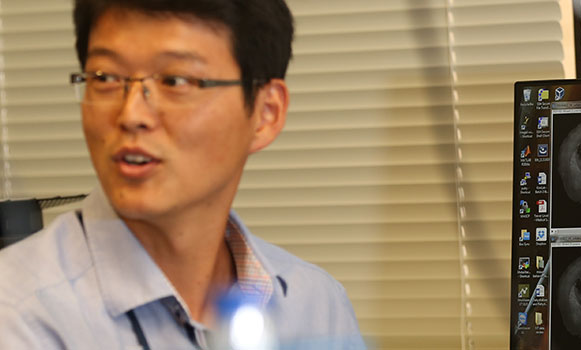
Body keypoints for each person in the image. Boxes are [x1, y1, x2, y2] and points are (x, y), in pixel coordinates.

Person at [0, 0, 365, 349]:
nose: (131, 114)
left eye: (175, 81)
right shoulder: (18, 313)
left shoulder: (316, 306)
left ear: (266, 112)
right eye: (106, 77)